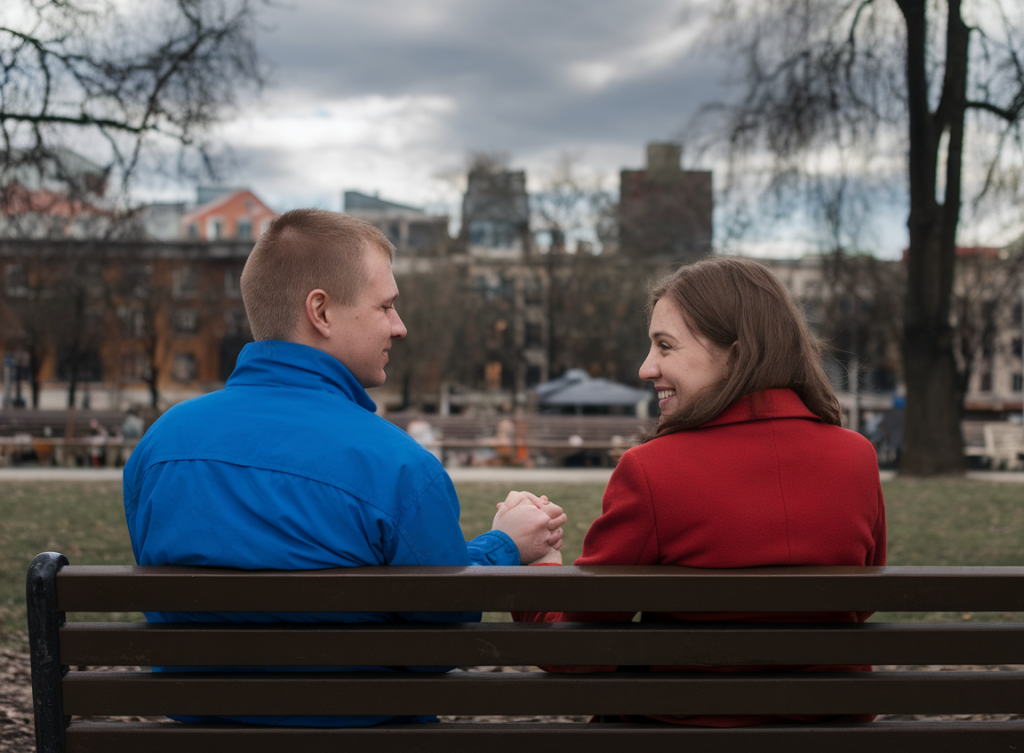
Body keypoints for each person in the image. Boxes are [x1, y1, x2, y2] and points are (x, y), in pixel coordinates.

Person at [124, 209, 566, 727]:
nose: (399, 327)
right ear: (322, 312)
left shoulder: (160, 448)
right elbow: (440, 643)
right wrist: (504, 548)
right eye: (385, 306)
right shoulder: (399, 466)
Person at [513, 256, 886, 727]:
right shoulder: (856, 458)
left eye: (665, 346)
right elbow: (860, 601)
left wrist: (538, 564)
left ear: (736, 351)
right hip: (833, 731)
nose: (647, 367)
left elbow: (575, 648)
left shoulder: (652, 471)